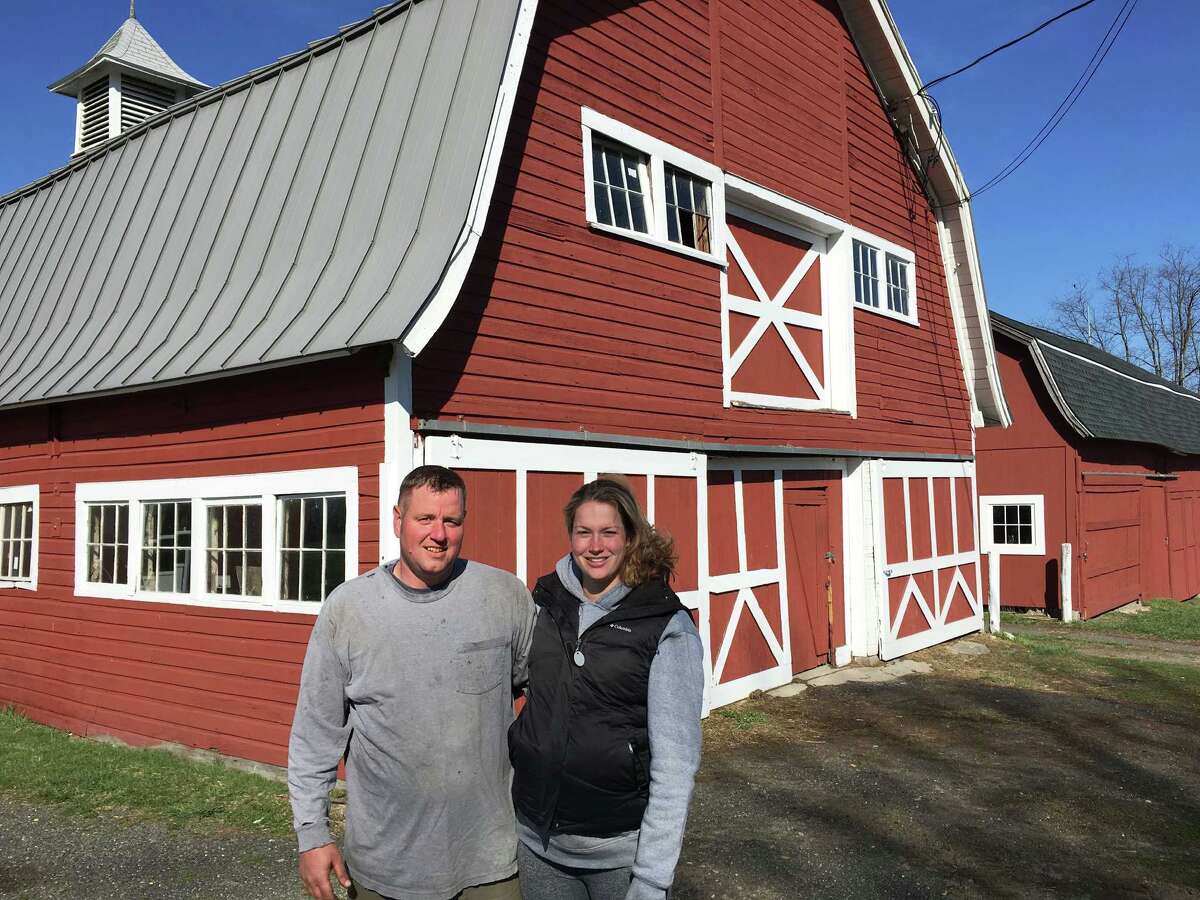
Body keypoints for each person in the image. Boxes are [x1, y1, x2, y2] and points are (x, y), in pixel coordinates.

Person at [288, 465, 535, 900]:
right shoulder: (349, 609)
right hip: (387, 865)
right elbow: (316, 733)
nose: (438, 534)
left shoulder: (505, 596)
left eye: (451, 521)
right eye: (425, 519)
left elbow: (550, 698)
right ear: (398, 520)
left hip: (490, 861)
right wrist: (312, 834)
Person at [509, 478, 705, 900]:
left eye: (609, 532)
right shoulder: (545, 603)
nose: (595, 545)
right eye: (584, 532)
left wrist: (653, 878)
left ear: (630, 536)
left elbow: (676, 762)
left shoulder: (665, 624)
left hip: (620, 856)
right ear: (571, 537)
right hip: (539, 844)